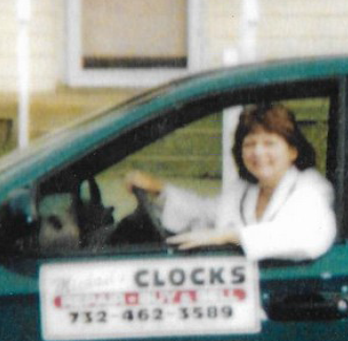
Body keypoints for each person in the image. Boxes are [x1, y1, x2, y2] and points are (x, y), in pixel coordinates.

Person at [125, 102, 337, 262]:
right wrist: (158, 189)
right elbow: (205, 211)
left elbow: (309, 236)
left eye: (269, 143)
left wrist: (228, 237)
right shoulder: (243, 191)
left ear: (292, 151)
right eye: (250, 144)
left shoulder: (311, 189)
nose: (258, 152)